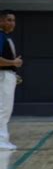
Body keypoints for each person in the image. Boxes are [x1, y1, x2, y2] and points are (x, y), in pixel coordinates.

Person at [0, 9, 23, 150]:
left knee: (5, 109)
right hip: (3, 75)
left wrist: (13, 72)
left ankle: (3, 139)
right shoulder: (0, 36)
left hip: (7, 74)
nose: (12, 23)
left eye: (13, 20)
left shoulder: (5, 37)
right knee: (3, 108)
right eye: (9, 20)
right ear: (1, 21)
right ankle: (1, 140)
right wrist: (13, 63)